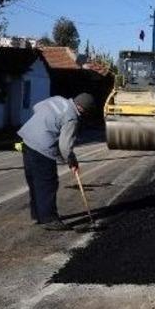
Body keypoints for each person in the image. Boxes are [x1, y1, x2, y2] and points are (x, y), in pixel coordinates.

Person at [17, 93, 95, 231]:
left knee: (34, 181)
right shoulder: (72, 117)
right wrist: (72, 161)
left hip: (27, 140)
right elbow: (65, 146)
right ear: (83, 109)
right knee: (47, 183)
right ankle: (49, 219)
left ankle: (38, 215)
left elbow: (36, 107)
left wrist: (45, 121)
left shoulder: (57, 99)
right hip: (42, 148)